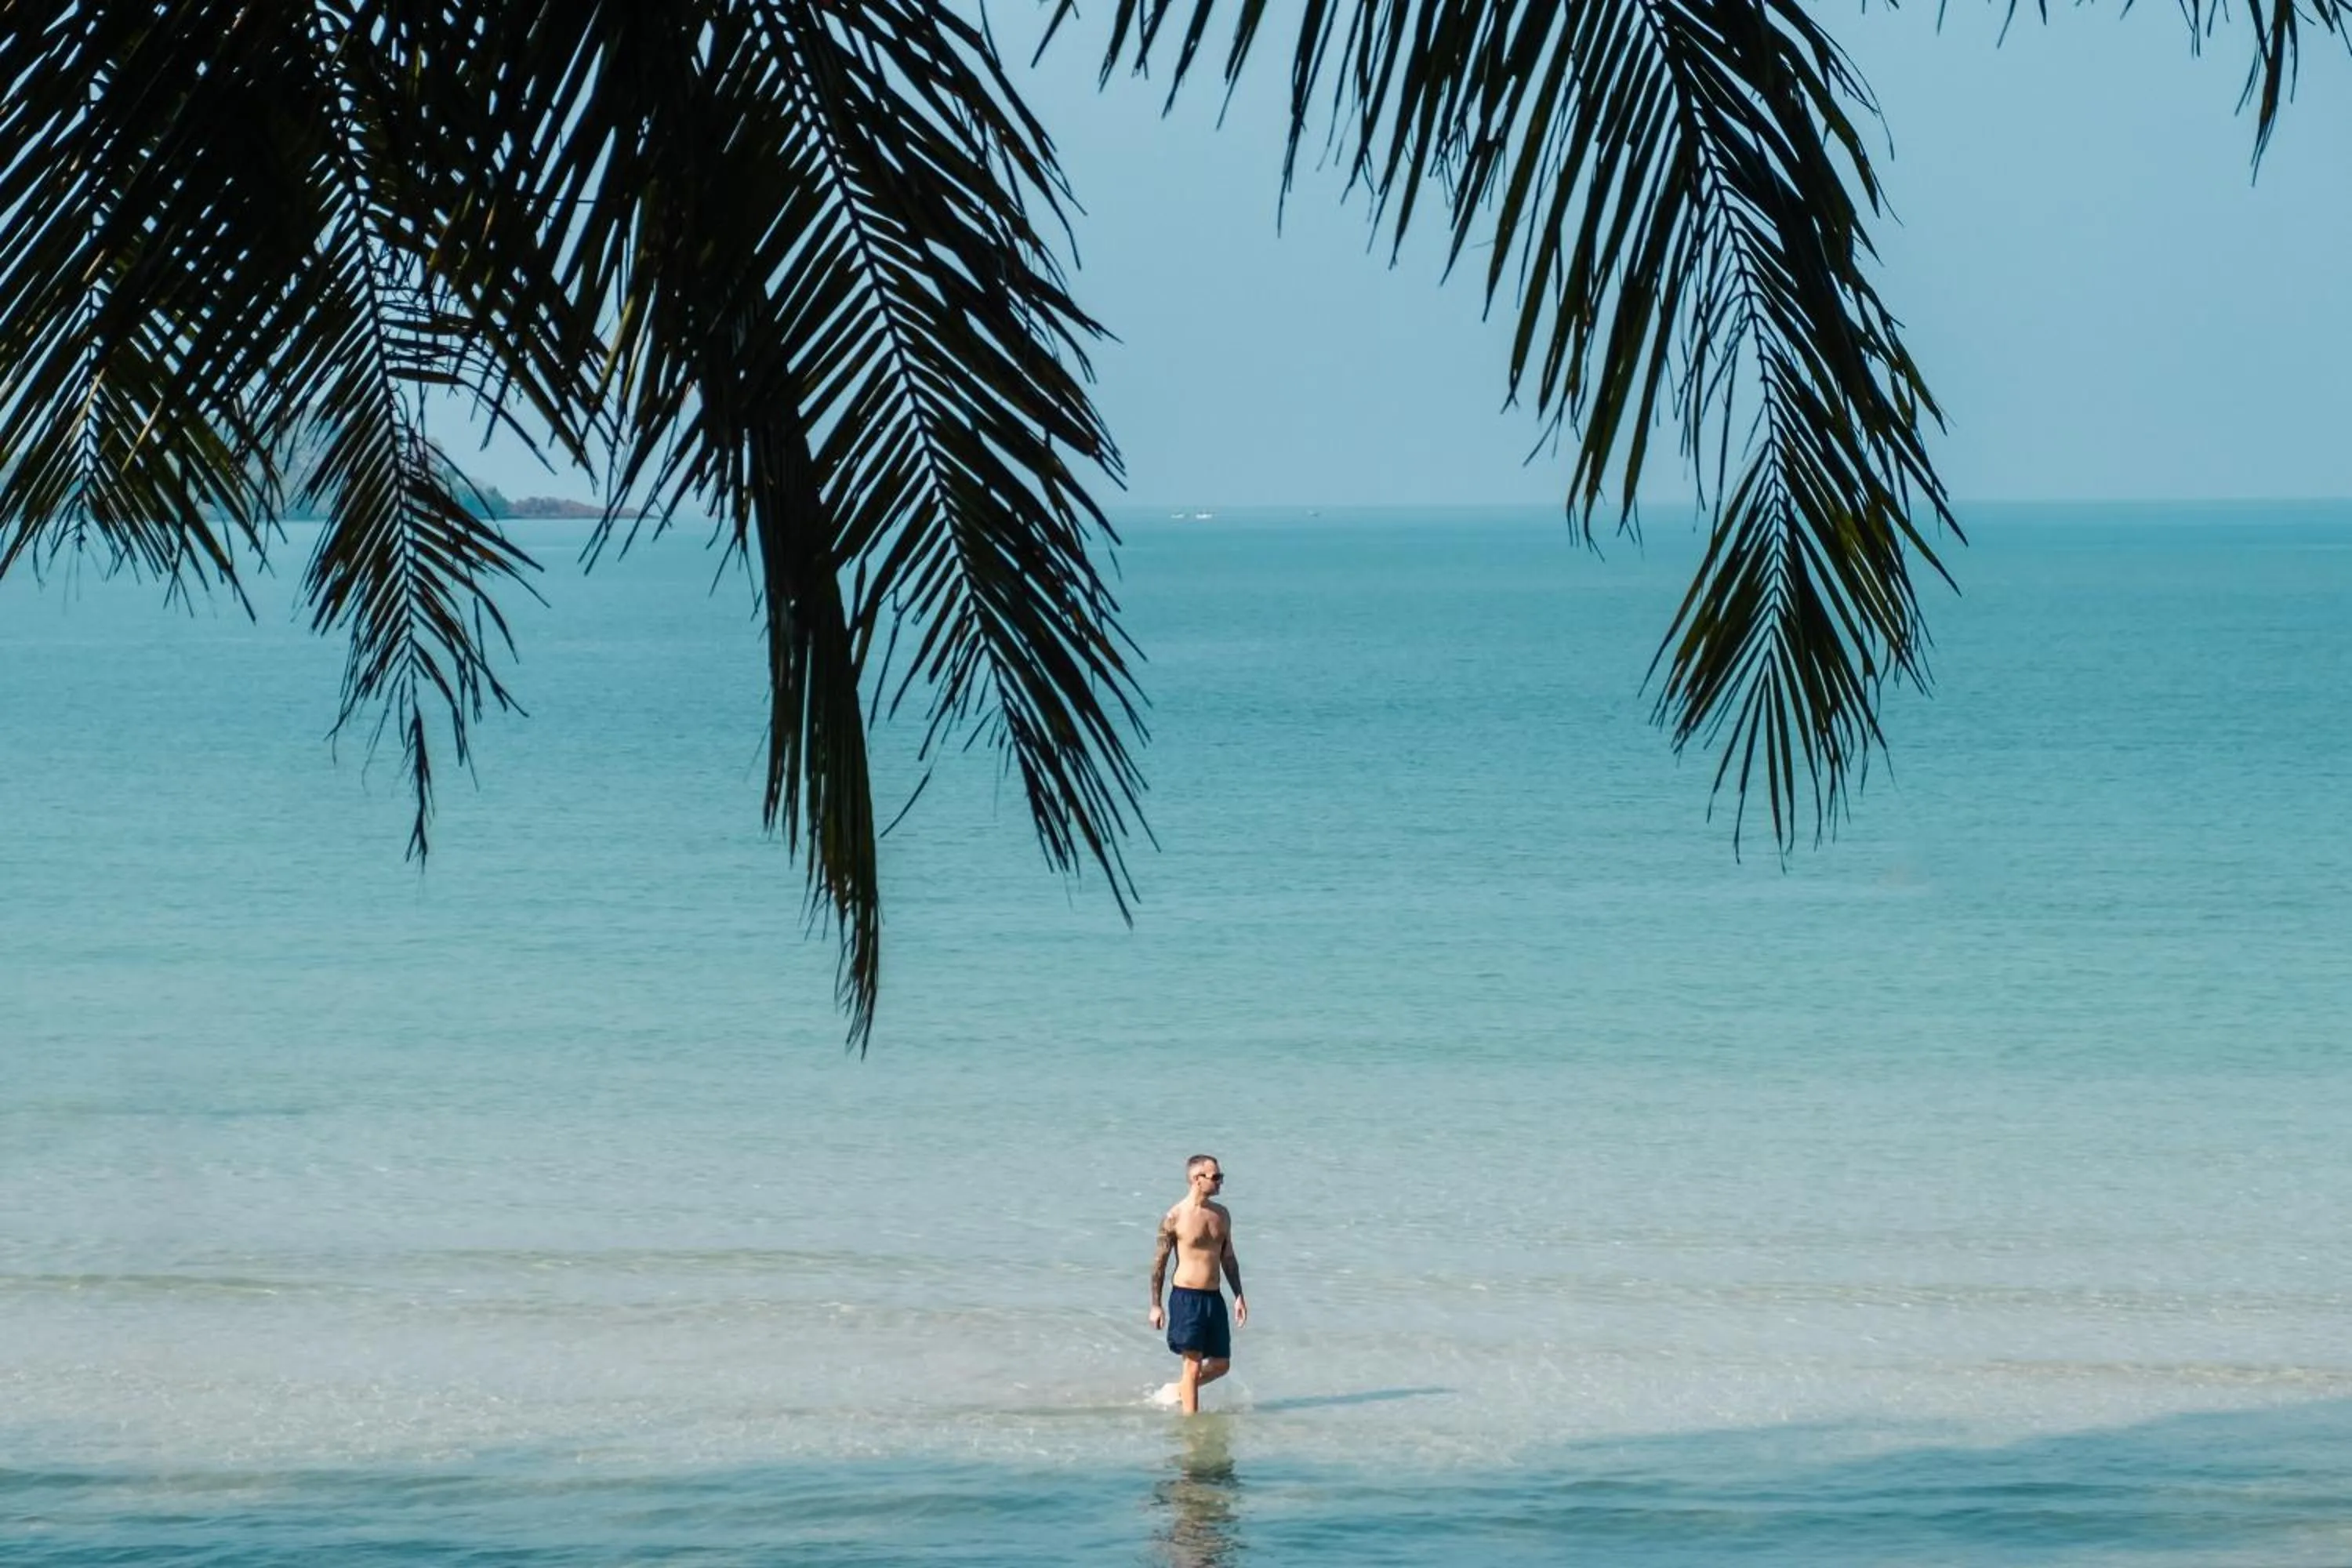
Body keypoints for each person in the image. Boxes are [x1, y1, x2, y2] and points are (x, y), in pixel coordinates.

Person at [1147, 1153, 1248, 1414]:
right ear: (1196, 1179)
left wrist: (1238, 1295)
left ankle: (1178, 1390)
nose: (1220, 1182)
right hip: (1186, 1297)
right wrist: (1156, 1305)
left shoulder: (1222, 1215)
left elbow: (1228, 1257)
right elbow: (1159, 1262)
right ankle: (1192, 1433)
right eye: (1216, 1177)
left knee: (1221, 1365)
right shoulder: (1175, 1216)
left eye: (1220, 1177)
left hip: (1214, 1298)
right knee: (1191, 1366)